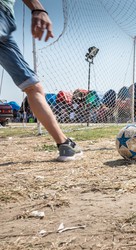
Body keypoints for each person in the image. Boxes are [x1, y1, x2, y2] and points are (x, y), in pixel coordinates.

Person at [0, 0, 82, 161]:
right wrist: (38, 8)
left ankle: (64, 144)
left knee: (33, 87)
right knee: (33, 88)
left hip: (5, 20)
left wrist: (38, 9)